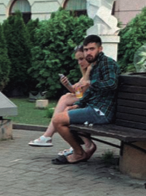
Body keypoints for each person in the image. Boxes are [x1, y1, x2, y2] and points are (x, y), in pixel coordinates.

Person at [50, 35, 118, 166]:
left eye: (92, 49)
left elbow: (112, 84)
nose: (88, 52)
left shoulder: (107, 63)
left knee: (58, 120)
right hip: (92, 108)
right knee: (63, 113)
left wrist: (91, 83)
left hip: (101, 111)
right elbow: (89, 92)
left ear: (100, 48)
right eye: (86, 49)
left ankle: (79, 153)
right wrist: (77, 105)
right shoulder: (95, 65)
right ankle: (81, 149)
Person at [29, 45, 92, 150]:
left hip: (92, 105)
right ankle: (49, 137)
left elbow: (81, 94)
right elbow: (78, 93)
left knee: (65, 99)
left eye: (82, 59)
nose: (79, 63)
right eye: (78, 60)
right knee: (66, 99)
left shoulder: (92, 72)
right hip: (85, 103)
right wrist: (67, 85)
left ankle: (48, 136)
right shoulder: (85, 74)